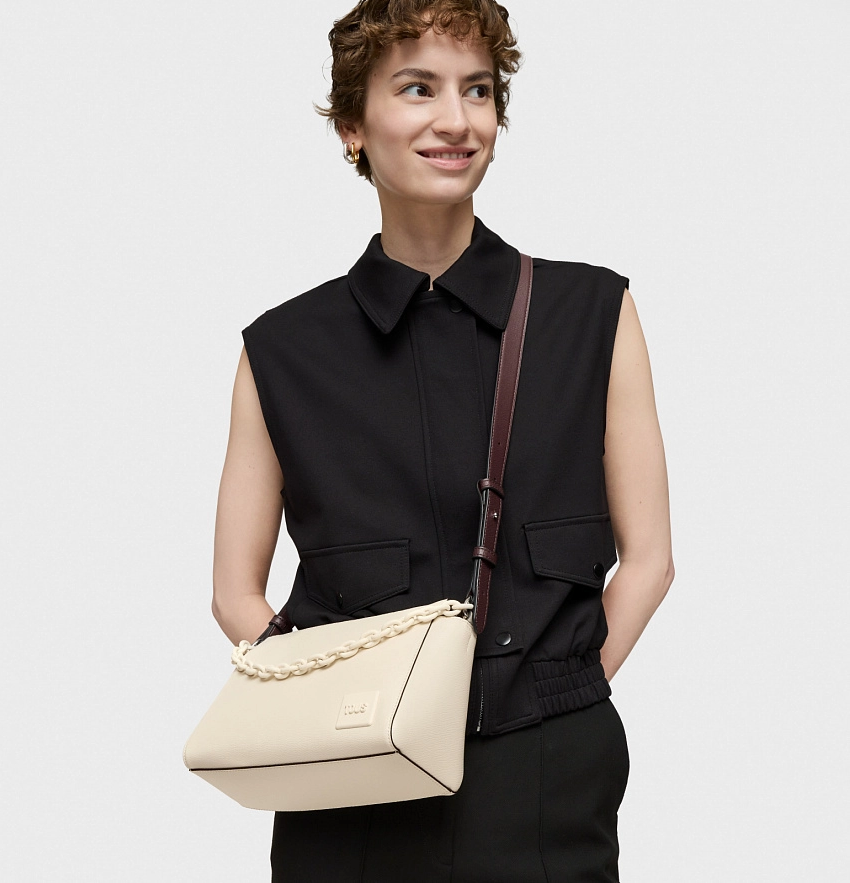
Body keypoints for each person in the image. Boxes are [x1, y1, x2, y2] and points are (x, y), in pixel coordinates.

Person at [210, 1, 674, 880]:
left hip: (547, 780)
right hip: (347, 787)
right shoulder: (281, 349)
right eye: (417, 88)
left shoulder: (592, 313)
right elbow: (234, 591)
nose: (456, 120)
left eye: (478, 90)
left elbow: (648, 560)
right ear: (352, 126)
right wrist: (346, 706)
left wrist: (556, 694)